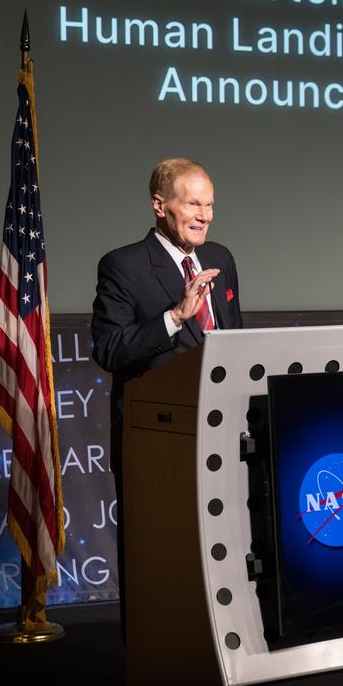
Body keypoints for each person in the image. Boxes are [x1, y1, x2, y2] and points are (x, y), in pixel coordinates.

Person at [91, 158, 243, 625]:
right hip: (157, 439)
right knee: (157, 551)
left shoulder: (221, 258)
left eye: (210, 204)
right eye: (193, 203)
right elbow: (110, 350)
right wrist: (175, 317)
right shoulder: (123, 265)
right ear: (160, 205)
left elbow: (234, 341)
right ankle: (149, 655)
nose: (205, 215)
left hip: (222, 432)